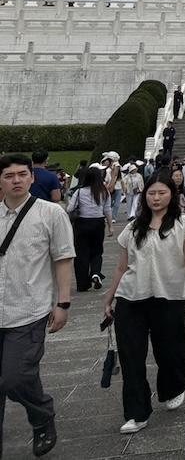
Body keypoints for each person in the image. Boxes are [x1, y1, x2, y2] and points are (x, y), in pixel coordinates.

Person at [102, 170, 185, 434]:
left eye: (161, 193)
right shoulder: (132, 227)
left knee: (172, 350)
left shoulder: (183, 224)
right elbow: (122, 267)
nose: (156, 198)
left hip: (170, 298)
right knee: (132, 357)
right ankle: (137, 412)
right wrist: (110, 297)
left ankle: (174, 385)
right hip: (131, 299)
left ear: (172, 194)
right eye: (151, 193)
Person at [0, 154, 75, 457]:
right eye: (8, 175)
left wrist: (63, 302)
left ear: (32, 177)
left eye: (21, 174)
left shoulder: (50, 214)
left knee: (16, 377)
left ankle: (42, 414)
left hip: (28, 310)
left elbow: (63, 257)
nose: (16, 180)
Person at [66, 164, 114, 291]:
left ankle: (82, 283)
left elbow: (70, 208)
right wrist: (110, 227)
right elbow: (107, 210)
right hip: (98, 223)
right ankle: (95, 272)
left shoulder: (80, 191)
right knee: (97, 251)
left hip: (82, 223)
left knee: (82, 253)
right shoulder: (104, 191)